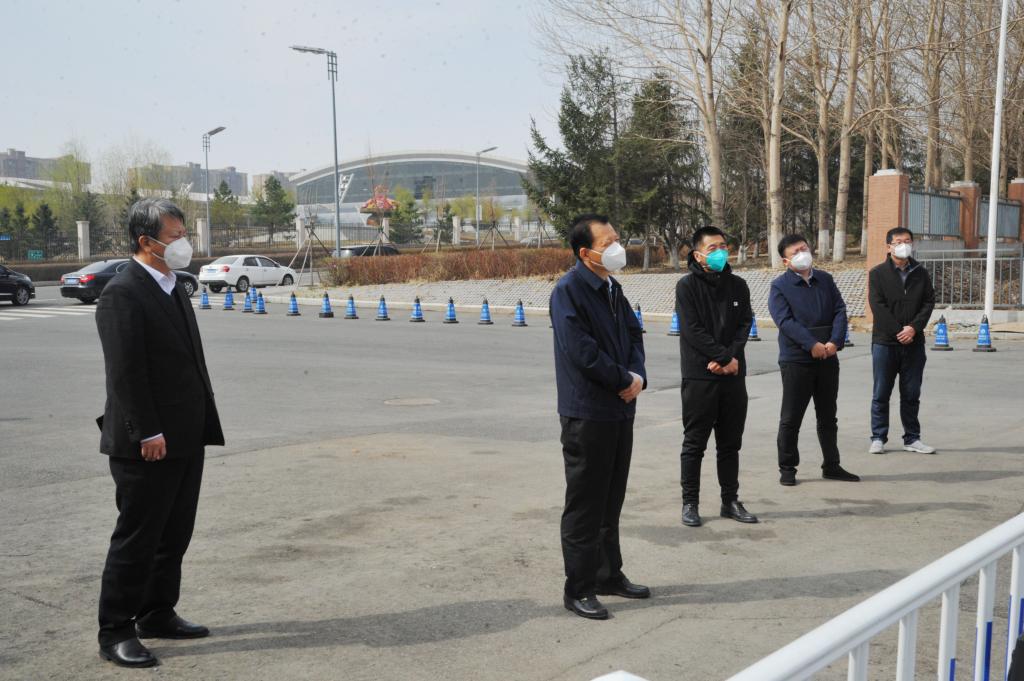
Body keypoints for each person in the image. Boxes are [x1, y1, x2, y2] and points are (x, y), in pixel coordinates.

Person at [94, 199, 224, 667]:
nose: (183, 242)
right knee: (138, 537)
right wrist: (147, 431)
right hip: (147, 443)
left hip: (186, 434)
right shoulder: (123, 293)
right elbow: (125, 373)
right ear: (145, 241)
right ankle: (115, 630)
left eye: (183, 233)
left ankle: (156, 612)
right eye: (174, 235)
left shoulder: (172, 286)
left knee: (174, 533)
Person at [550, 214, 650, 620]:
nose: (617, 247)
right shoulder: (569, 291)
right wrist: (622, 379)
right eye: (607, 243)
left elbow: (634, 335)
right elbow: (582, 352)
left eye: (617, 239)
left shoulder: (612, 288)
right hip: (588, 412)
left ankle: (609, 574)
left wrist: (637, 376)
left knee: (611, 499)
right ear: (584, 252)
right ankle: (579, 588)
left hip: (620, 408)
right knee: (585, 504)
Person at [676, 226, 758, 528]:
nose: (721, 252)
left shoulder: (738, 285)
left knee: (730, 443)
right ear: (698, 255)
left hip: (733, 375)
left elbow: (745, 324)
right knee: (694, 443)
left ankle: (730, 501)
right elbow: (692, 329)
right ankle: (690, 502)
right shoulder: (686, 287)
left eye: (723, 246)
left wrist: (730, 359)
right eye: (713, 248)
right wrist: (722, 358)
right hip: (700, 376)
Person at [768, 234, 859, 486]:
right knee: (791, 418)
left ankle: (832, 465)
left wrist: (834, 341)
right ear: (786, 261)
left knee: (828, 416)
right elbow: (784, 321)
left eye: (804, 248)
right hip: (797, 361)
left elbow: (839, 309)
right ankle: (787, 468)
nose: (802, 254)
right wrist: (812, 345)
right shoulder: (779, 287)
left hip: (828, 357)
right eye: (795, 252)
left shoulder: (825, 279)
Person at [867, 227, 936, 455]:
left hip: (914, 343)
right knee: (881, 393)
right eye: (898, 242)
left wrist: (913, 329)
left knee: (911, 394)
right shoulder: (878, 273)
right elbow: (878, 306)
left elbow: (928, 302)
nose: (903, 245)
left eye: (907, 241)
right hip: (885, 342)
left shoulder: (921, 272)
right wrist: (899, 331)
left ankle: (912, 438)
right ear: (889, 246)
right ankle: (878, 437)